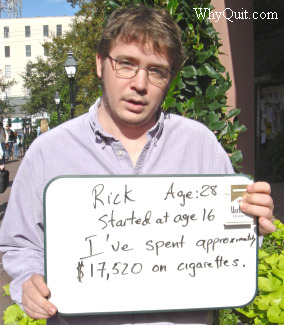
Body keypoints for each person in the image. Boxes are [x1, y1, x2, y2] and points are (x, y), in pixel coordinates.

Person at [0, 5, 275, 325]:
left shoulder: (201, 145)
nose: (140, 84)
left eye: (156, 70)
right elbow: (19, 244)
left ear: (169, 78)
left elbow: (230, 240)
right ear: (101, 64)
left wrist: (253, 222)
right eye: (127, 64)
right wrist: (29, 281)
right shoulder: (48, 152)